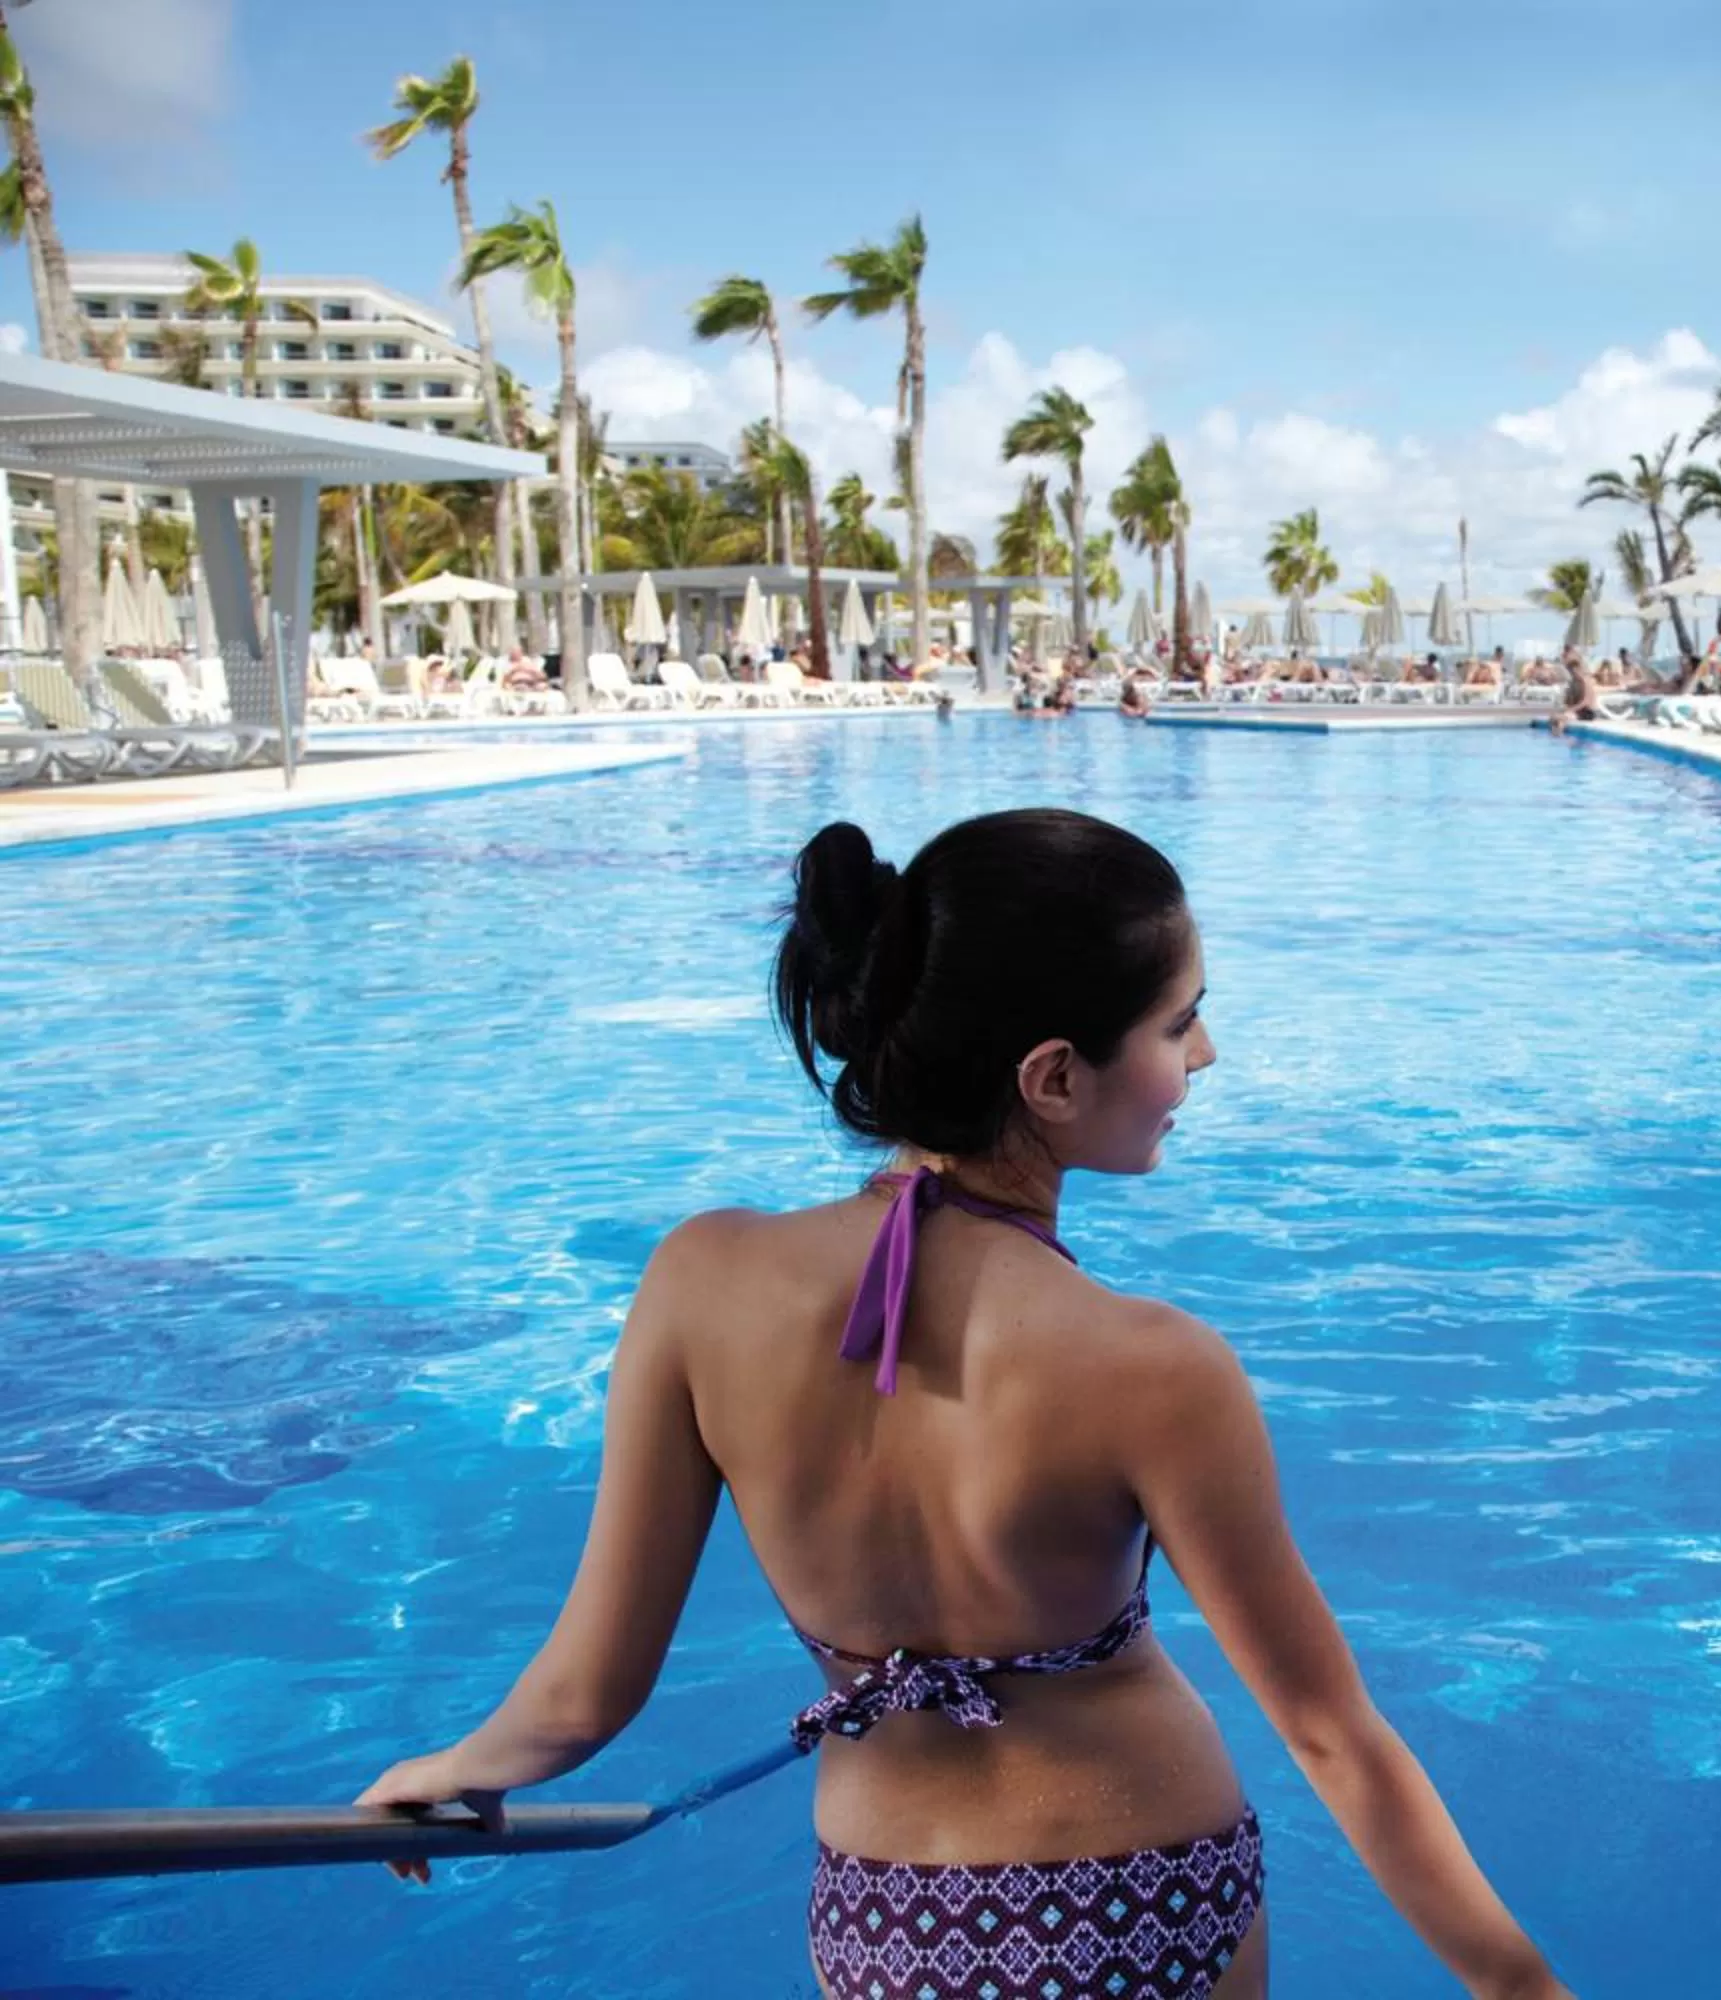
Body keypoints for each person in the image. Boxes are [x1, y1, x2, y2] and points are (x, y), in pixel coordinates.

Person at [355, 812, 1570, 2000]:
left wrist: (457, 1765)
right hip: (1148, 1888)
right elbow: (1329, 1733)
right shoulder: (1155, 1363)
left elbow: (584, 1694)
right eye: (1178, 1021)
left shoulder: (697, 1282)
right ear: (1053, 1075)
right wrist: (1518, 1982)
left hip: (889, 1914)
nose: (1202, 1056)